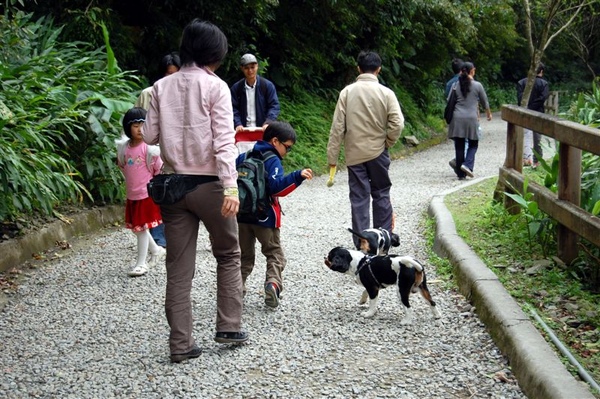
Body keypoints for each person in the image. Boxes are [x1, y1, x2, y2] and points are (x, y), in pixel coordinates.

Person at [142, 19, 248, 363]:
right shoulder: (216, 87)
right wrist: (231, 187)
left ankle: (181, 345)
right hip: (211, 186)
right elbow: (224, 142)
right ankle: (229, 327)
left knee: (178, 267)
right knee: (229, 254)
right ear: (215, 53)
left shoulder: (159, 87)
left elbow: (150, 136)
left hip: (174, 187)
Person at [327, 50, 404, 250]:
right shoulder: (387, 93)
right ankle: (383, 240)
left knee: (359, 197)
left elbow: (337, 128)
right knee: (381, 193)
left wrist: (332, 157)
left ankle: (363, 243)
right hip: (378, 152)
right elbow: (397, 123)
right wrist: (387, 142)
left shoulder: (347, 92)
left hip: (354, 154)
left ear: (358, 68)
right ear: (379, 69)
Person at [236, 121, 313, 308]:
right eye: (287, 147)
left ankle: (234, 290)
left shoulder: (243, 156)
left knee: (244, 256)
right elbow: (276, 188)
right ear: (275, 141)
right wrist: (297, 176)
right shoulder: (273, 160)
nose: (287, 152)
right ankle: (272, 284)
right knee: (274, 253)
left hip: (241, 217)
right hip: (265, 217)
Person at [135, 52, 182, 248]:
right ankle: (159, 236)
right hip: (152, 152)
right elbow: (137, 122)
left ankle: (176, 234)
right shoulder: (148, 94)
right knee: (156, 192)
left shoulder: (186, 94)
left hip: (177, 151)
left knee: (176, 194)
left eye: (175, 74)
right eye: (167, 74)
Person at [115, 107, 166, 277]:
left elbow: (158, 170)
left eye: (143, 125)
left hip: (146, 195)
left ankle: (141, 263)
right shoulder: (125, 148)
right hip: (132, 195)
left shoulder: (150, 149)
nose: (139, 129)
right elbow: (123, 166)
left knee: (142, 228)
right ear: (128, 128)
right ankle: (156, 249)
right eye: (135, 125)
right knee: (138, 228)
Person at [447, 62, 492, 180]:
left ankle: (460, 174)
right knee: (473, 143)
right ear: (472, 71)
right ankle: (467, 165)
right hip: (471, 118)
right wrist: (488, 113)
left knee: (459, 145)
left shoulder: (455, 85)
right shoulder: (477, 85)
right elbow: (484, 101)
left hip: (457, 118)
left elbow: (449, 100)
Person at [230, 53, 280, 133]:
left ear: (257, 67)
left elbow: (274, 106)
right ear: (242, 68)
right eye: (246, 68)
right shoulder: (236, 88)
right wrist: (237, 124)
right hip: (243, 131)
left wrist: (268, 122)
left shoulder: (267, 86)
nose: (250, 71)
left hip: (263, 131)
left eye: (252, 67)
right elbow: (232, 108)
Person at [517, 63, 549, 168]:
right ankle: (537, 160)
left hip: (525, 112)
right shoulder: (544, 84)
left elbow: (520, 98)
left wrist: (528, 106)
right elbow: (543, 98)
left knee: (525, 135)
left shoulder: (522, 82)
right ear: (541, 71)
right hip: (538, 113)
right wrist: (533, 106)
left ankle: (526, 158)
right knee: (537, 138)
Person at [446, 58, 465, 171]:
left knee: (458, 142)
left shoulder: (449, 84)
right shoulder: (467, 81)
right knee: (468, 141)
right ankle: (461, 163)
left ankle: (458, 162)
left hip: (453, 115)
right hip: (466, 114)